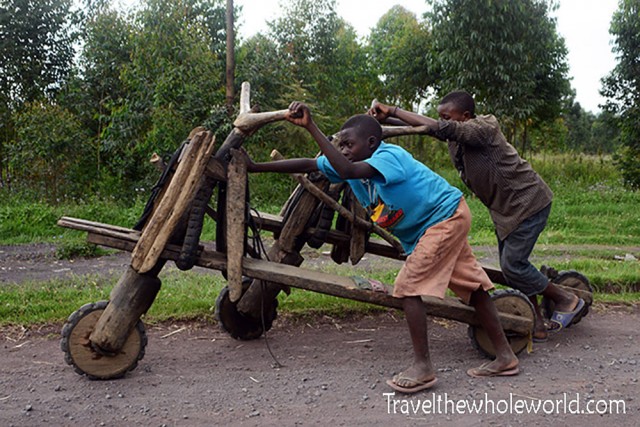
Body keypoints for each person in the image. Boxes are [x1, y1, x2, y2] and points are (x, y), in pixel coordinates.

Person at [242, 101, 519, 394]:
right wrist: (256, 167)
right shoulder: (351, 165)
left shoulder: (389, 156)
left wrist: (312, 126)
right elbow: (310, 164)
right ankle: (505, 356)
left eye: (349, 144)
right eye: (341, 145)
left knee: (408, 287)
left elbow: (346, 167)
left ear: (372, 143)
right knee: (472, 287)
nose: (344, 149)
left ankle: (423, 368)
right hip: (433, 224)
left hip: (444, 217)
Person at [368, 92, 587, 342]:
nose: (442, 121)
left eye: (447, 117)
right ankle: (536, 322)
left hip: (528, 202)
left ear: (466, 116)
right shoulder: (456, 136)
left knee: (514, 265)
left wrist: (394, 110)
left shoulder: (485, 128)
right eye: (441, 117)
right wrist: (383, 122)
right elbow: (427, 127)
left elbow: (438, 127)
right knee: (516, 265)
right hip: (504, 210)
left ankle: (566, 299)